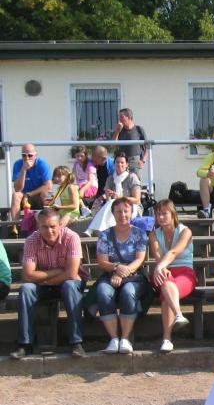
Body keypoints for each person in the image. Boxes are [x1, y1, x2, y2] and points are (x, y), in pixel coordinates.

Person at [10, 208, 86, 360]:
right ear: (38, 226)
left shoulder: (72, 237)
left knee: (70, 286)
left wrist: (45, 279)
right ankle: (25, 344)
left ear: (60, 225)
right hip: (42, 284)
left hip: (68, 283)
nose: (49, 231)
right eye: (44, 227)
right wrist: (56, 272)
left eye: (52, 226)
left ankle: (76, 343)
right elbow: (28, 274)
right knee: (26, 289)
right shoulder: (31, 240)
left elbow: (71, 274)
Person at [95, 197, 149, 355]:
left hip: (134, 275)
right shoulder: (104, 235)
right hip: (110, 274)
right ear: (113, 213)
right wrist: (117, 268)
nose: (122, 214)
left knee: (128, 291)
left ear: (131, 212)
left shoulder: (140, 234)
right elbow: (102, 261)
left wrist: (123, 274)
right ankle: (113, 338)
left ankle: (125, 337)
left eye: (126, 211)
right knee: (103, 292)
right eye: (118, 211)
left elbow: (139, 259)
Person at [149, 199, 196, 353]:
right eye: (158, 214)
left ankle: (166, 339)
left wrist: (159, 267)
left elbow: (174, 252)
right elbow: (158, 256)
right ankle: (178, 315)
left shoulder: (185, 231)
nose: (161, 217)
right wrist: (161, 267)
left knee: (166, 292)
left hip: (184, 272)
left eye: (164, 213)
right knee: (165, 282)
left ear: (173, 214)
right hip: (163, 272)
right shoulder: (154, 235)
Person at [87, 151, 142, 235]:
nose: (119, 164)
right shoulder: (110, 178)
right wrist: (108, 195)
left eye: (122, 162)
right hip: (114, 205)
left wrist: (120, 198)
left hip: (132, 206)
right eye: (117, 162)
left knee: (113, 203)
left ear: (127, 164)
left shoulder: (132, 177)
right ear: (114, 164)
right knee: (111, 203)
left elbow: (137, 200)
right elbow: (108, 200)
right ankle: (106, 232)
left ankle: (92, 229)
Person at [9, 143, 52, 225]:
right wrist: (23, 170)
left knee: (47, 194)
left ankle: (48, 224)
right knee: (16, 195)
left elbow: (48, 186)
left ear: (35, 155)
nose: (27, 158)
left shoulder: (42, 164)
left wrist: (29, 194)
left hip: (38, 196)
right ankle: (15, 227)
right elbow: (18, 189)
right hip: (24, 199)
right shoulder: (18, 164)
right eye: (24, 155)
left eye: (30, 155)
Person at [112, 108, 148, 176]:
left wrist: (143, 161)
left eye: (121, 117)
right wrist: (117, 131)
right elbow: (112, 145)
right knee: (121, 180)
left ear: (129, 117)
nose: (119, 119)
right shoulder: (119, 130)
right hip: (121, 160)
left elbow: (147, 147)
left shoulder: (139, 129)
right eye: (119, 117)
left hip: (134, 160)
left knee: (134, 180)